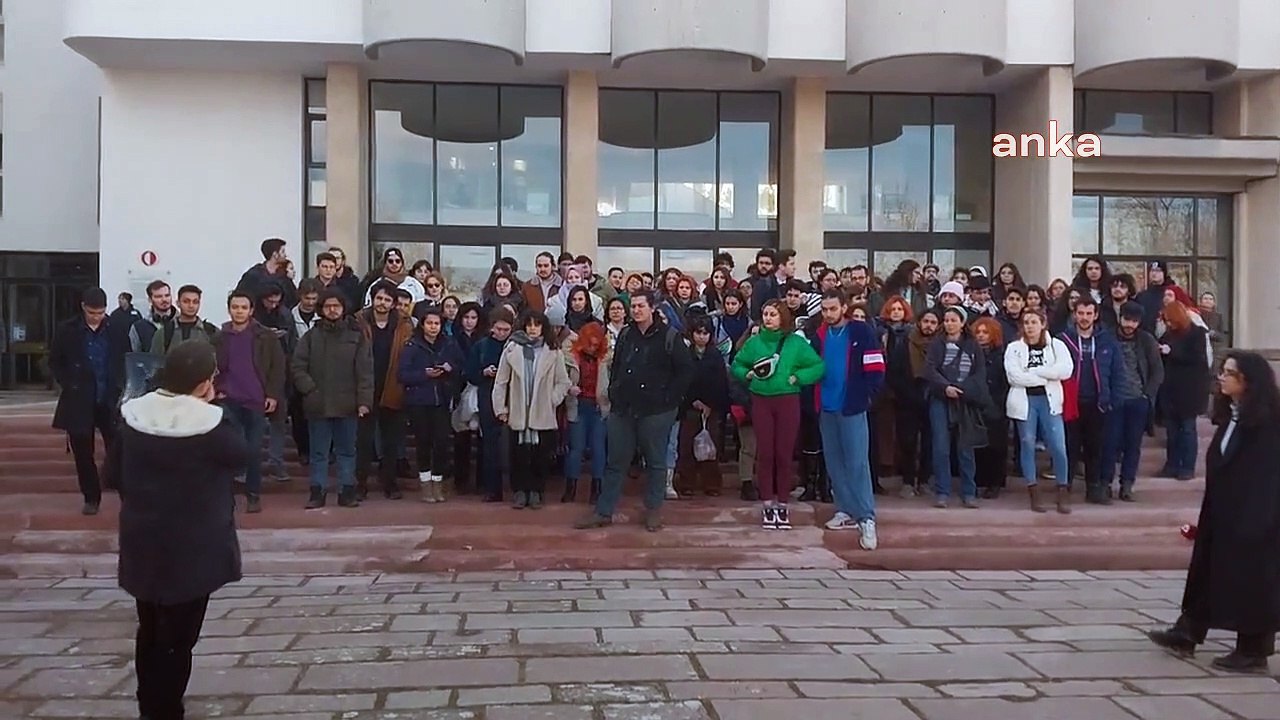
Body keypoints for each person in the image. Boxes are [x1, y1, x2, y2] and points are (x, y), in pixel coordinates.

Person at [112, 340, 248, 720]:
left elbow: (113, 475)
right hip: (192, 547)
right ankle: (167, 709)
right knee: (178, 640)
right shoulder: (211, 422)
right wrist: (214, 406)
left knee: (151, 629)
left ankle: (149, 706)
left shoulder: (133, 416)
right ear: (205, 381)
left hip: (143, 539)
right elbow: (242, 456)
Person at [1148, 351, 1280, 673]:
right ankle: (1188, 630)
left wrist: (1257, 518)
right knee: (1207, 569)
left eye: (1229, 373)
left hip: (1255, 515)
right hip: (1222, 510)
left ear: (1248, 381)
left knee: (1253, 580)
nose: (1221, 377)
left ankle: (1253, 651)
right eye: (1222, 370)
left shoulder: (1267, 425)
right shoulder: (1232, 416)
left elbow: (1268, 475)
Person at [575, 290, 694, 531]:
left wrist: (669, 399)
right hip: (624, 408)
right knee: (616, 461)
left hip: (656, 411)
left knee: (655, 461)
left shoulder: (669, 336)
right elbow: (617, 366)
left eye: (641, 305)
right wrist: (615, 392)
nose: (636, 310)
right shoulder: (628, 334)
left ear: (652, 308)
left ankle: (653, 511)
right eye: (634, 306)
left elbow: (686, 372)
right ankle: (603, 511)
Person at [732, 299, 825, 529]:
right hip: (761, 401)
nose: (768, 318)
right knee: (765, 454)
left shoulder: (795, 342)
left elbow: (818, 366)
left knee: (784, 454)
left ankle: (782, 505)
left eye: (773, 314)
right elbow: (737, 364)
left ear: (782, 316)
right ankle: (767, 504)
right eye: (765, 314)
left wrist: (799, 378)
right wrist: (748, 374)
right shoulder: (754, 342)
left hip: (788, 400)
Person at [811, 290, 883, 548]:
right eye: (824, 309)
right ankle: (844, 509)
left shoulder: (861, 332)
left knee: (857, 463)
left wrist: (866, 396)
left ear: (843, 307)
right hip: (826, 407)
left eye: (832, 308)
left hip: (852, 406)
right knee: (834, 462)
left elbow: (875, 367)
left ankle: (866, 517)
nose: (828, 313)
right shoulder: (819, 334)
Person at [292, 290, 373, 509]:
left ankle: (347, 491)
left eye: (336, 306)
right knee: (319, 452)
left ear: (343, 308)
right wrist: (310, 390)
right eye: (328, 306)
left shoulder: (356, 336)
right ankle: (317, 492)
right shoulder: (311, 336)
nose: (332, 310)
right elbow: (298, 367)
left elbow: (365, 371)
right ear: (321, 309)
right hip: (318, 404)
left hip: (348, 405)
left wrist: (364, 401)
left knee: (347, 451)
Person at [51, 288, 126, 516]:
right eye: (92, 312)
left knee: (119, 449)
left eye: (101, 312)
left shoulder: (117, 329)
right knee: (83, 453)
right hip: (79, 398)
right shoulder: (67, 330)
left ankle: (125, 494)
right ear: (83, 307)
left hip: (109, 398)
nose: (96, 316)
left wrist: (121, 386)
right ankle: (91, 497)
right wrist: (69, 382)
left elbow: (126, 358)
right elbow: (55, 362)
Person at [213, 290, 286, 514]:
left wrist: (272, 395)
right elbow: (212, 365)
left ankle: (253, 495)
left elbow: (278, 367)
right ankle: (227, 497)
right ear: (229, 309)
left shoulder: (265, 336)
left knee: (253, 451)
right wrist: (216, 390)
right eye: (235, 307)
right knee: (229, 451)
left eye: (244, 307)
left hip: (256, 401)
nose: (239, 311)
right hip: (228, 401)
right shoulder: (220, 336)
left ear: (251, 310)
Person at [493, 309, 572, 509]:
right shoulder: (511, 348)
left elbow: (563, 382)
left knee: (540, 454)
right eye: (529, 325)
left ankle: (537, 491)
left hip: (542, 411)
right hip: (518, 409)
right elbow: (501, 381)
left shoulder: (553, 351)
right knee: (518, 453)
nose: (533, 329)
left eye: (537, 325)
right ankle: (520, 491)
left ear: (543, 328)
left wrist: (551, 400)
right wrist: (501, 407)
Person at [1004, 309, 1075, 514]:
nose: (1029, 326)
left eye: (1034, 322)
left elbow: (1065, 370)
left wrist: (1035, 372)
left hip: (1049, 400)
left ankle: (1062, 490)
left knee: (1058, 445)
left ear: (1043, 323)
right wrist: (1047, 375)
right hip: (1025, 401)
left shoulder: (1057, 346)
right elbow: (1014, 377)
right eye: (1026, 322)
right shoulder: (1014, 348)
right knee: (1027, 442)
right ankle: (1033, 490)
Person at [923, 307, 990, 509]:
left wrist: (962, 389)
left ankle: (969, 492)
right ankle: (942, 491)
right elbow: (930, 369)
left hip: (964, 400)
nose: (949, 323)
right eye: (947, 320)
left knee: (965, 447)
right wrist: (945, 387)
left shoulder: (972, 345)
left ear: (962, 322)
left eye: (954, 320)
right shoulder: (937, 344)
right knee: (941, 446)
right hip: (940, 399)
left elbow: (979, 374)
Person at [355, 282, 415, 501]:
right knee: (363, 442)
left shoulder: (404, 324)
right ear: (372, 299)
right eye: (379, 298)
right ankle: (359, 483)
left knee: (392, 442)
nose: (383, 303)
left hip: (393, 387)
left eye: (387, 300)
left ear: (393, 303)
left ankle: (390, 482)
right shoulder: (358, 321)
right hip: (365, 388)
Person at [398, 307, 464, 503]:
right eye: (429, 323)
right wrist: (424, 374)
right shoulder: (412, 345)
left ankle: (438, 482)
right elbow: (402, 374)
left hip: (442, 400)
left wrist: (450, 369)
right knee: (423, 442)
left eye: (436, 323)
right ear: (423, 325)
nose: (433, 327)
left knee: (442, 442)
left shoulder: (449, 344)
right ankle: (425, 484)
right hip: (419, 401)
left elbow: (461, 366)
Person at [1101, 301, 1164, 501]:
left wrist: (1147, 394)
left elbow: (1157, 371)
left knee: (1133, 445)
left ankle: (1127, 484)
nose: (1130, 324)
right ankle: (1105, 483)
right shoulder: (1107, 337)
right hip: (1114, 400)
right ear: (1120, 317)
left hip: (1138, 400)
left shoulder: (1146, 340)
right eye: (1127, 319)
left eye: (1134, 321)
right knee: (1109, 444)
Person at [1059, 296, 1120, 502]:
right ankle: (1064, 487)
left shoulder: (1107, 341)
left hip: (1098, 403)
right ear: (1074, 315)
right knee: (1069, 447)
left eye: (1088, 313)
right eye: (1081, 313)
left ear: (1095, 315)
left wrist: (1112, 399)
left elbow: (1117, 372)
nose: (1084, 317)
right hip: (1070, 404)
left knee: (1095, 448)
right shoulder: (1061, 340)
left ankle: (1093, 488)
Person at [675, 315, 729, 497]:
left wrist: (710, 404)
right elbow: (681, 380)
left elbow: (721, 383)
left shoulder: (715, 356)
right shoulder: (685, 354)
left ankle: (711, 485)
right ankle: (686, 482)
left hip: (711, 410)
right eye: (699, 333)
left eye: (706, 333)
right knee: (686, 446)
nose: (702, 336)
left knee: (710, 447)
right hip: (689, 407)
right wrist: (692, 400)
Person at [1158, 300, 1212, 481]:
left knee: (1187, 429)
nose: (1168, 324)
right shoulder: (1168, 334)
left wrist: (1171, 352)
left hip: (1190, 390)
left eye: (1170, 320)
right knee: (1172, 431)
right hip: (1170, 388)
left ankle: (1187, 466)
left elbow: (1198, 359)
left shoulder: (1196, 334)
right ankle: (1172, 464)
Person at [466, 308, 515, 503]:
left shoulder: (515, 346)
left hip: (513, 396)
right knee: (490, 444)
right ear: (491, 327)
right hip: (487, 396)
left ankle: (519, 486)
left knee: (517, 442)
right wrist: (484, 372)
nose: (502, 333)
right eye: (499, 329)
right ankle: (492, 488)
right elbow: (469, 372)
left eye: (506, 329)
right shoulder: (482, 346)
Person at [563, 321, 611, 504]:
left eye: (595, 345)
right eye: (589, 344)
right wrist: (570, 387)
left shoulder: (607, 357)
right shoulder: (570, 355)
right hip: (578, 404)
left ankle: (597, 488)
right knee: (576, 448)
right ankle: (571, 487)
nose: (592, 348)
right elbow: (561, 377)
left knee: (599, 449)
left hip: (599, 406)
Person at [972, 317, 1010, 499]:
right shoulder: (970, 354)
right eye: (978, 332)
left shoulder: (1002, 355)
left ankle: (995, 482)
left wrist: (999, 404)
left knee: (996, 445)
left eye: (985, 332)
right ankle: (979, 480)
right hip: (975, 405)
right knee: (977, 444)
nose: (980, 336)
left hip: (997, 405)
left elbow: (1005, 382)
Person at [237, 237, 297, 309]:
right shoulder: (254, 274)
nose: (285, 255)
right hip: (258, 316)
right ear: (275, 254)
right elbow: (240, 295)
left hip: (280, 317)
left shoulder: (284, 274)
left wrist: (290, 280)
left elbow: (293, 300)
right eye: (283, 251)